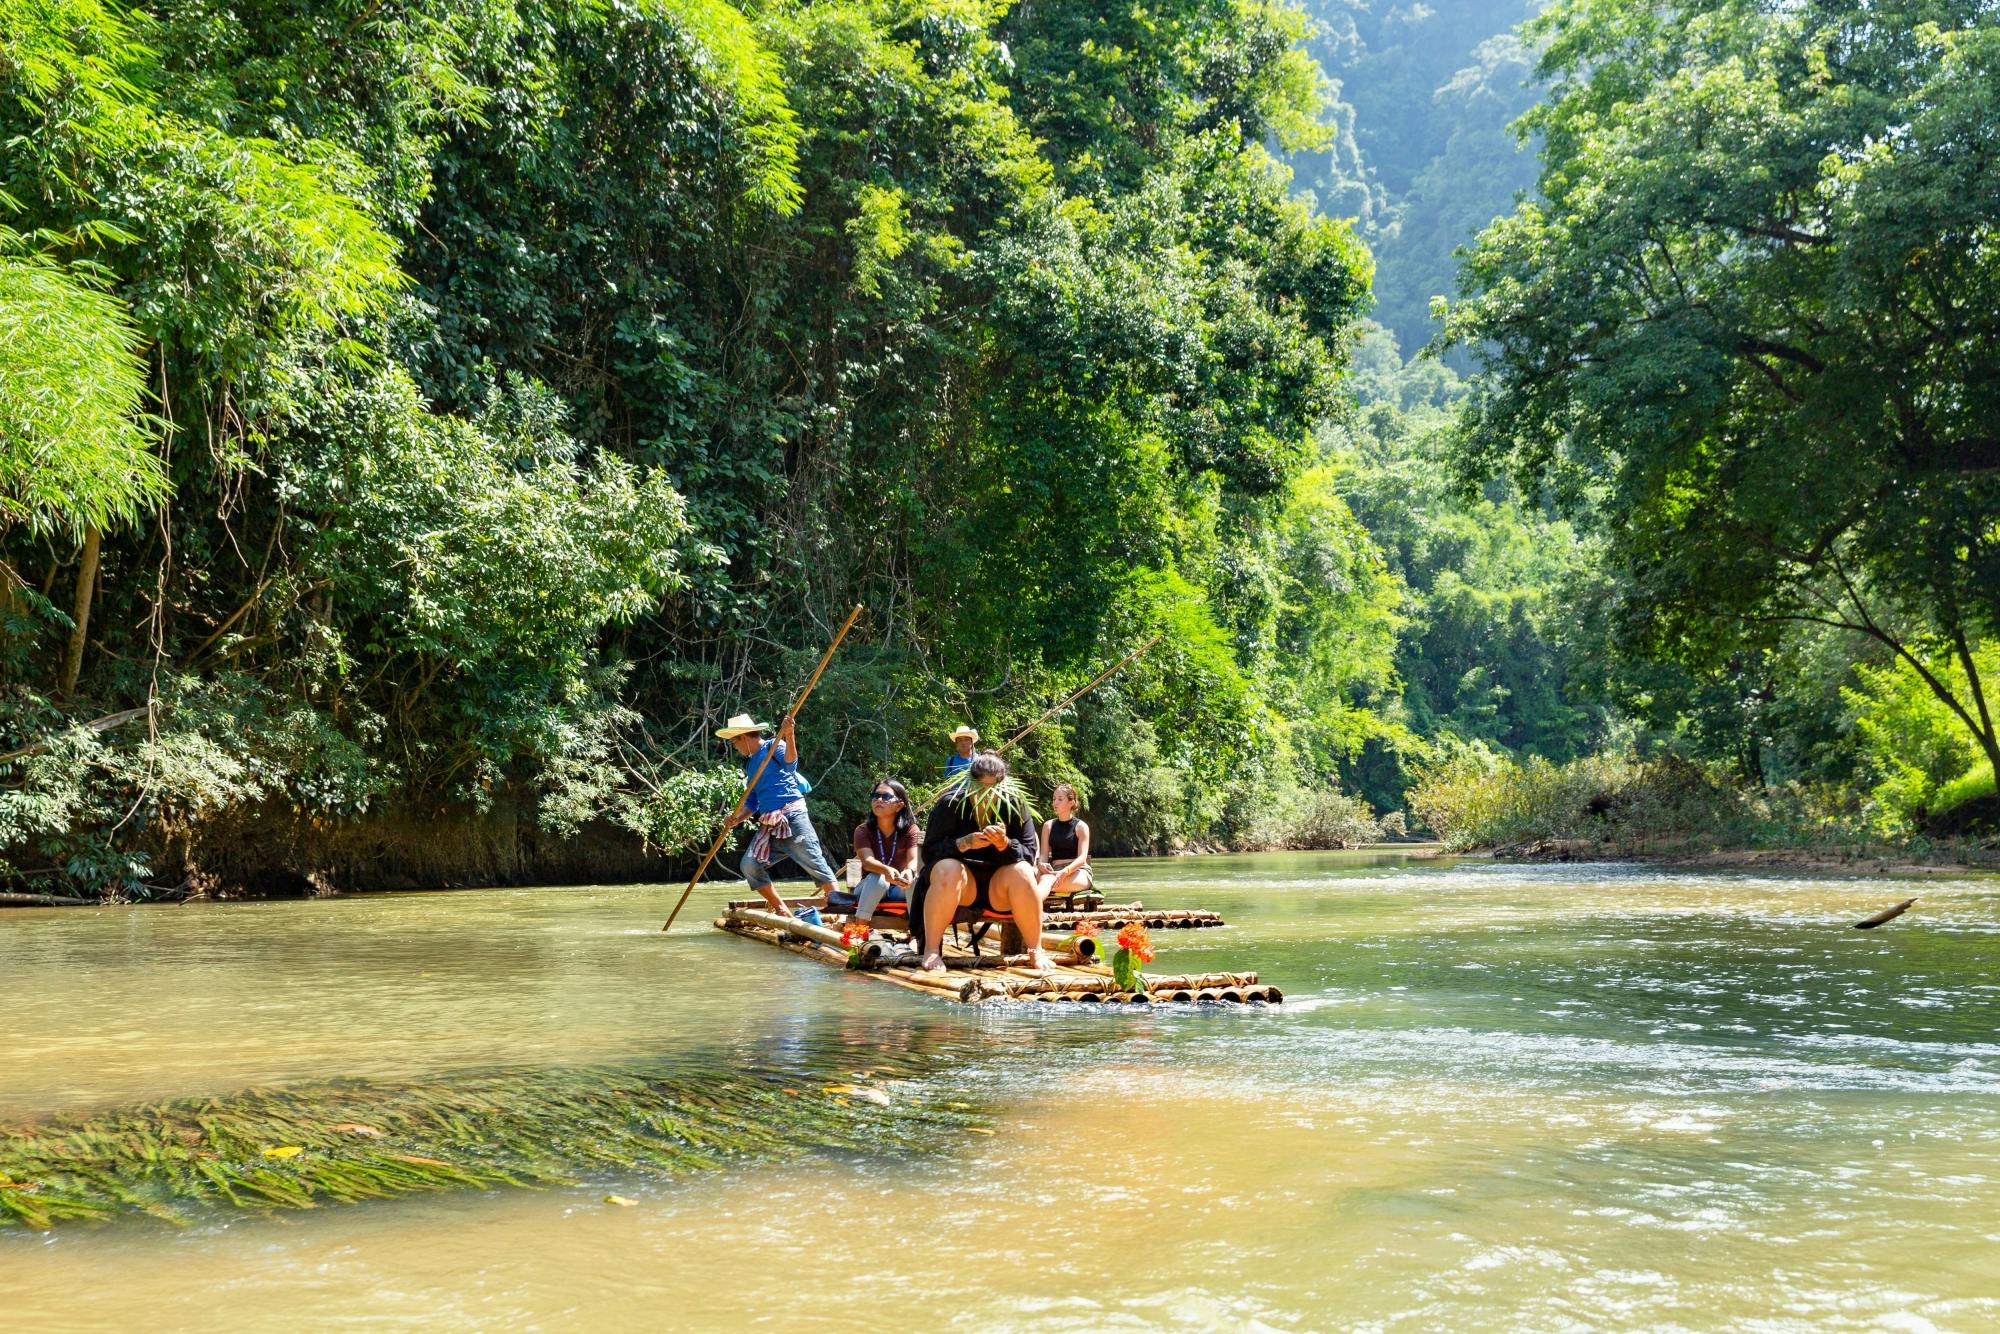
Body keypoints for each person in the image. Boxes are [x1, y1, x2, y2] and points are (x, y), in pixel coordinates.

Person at [913, 751, 1047, 972]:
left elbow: (1029, 853)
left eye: (992, 788)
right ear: (970, 782)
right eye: (980, 787)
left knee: (1023, 871)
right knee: (947, 868)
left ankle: (1036, 949)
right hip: (961, 886)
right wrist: (964, 843)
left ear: (1002, 785)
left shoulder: (1014, 804)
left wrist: (1005, 844)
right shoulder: (950, 803)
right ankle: (932, 950)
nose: (986, 794)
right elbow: (929, 853)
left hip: (999, 887)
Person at [717, 712, 840, 917]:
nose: (735, 747)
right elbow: (752, 801)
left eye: (734, 742)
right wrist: (736, 819)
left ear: (744, 737)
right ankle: (781, 909)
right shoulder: (750, 764)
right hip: (770, 823)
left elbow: (791, 763)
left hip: (792, 816)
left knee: (815, 863)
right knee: (750, 865)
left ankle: (842, 911)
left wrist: (789, 734)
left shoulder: (773, 746)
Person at [841, 777, 919, 921]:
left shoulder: (911, 830)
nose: (879, 800)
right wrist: (885, 870)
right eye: (876, 796)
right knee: (879, 878)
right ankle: (861, 926)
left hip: (898, 887)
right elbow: (867, 862)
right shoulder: (862, 830)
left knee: (915, 881)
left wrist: (909, 871)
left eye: (886, 796)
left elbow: (913, 859)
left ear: (899, 805)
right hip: (869, 888)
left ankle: (916, 934)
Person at [1037, 782, 1093, 901]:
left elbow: (1082, 858)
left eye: (1060, 799)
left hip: (1078, 872)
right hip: (1054, 871)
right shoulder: (1048, 826)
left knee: (1046, 881)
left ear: (1071, 803)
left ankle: (1029, 911)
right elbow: (1043, 856)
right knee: (1031, 875)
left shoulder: (1081, 827)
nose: (1055, 803)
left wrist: (1065, 871)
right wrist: (1042, 865)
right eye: (1054, 799)